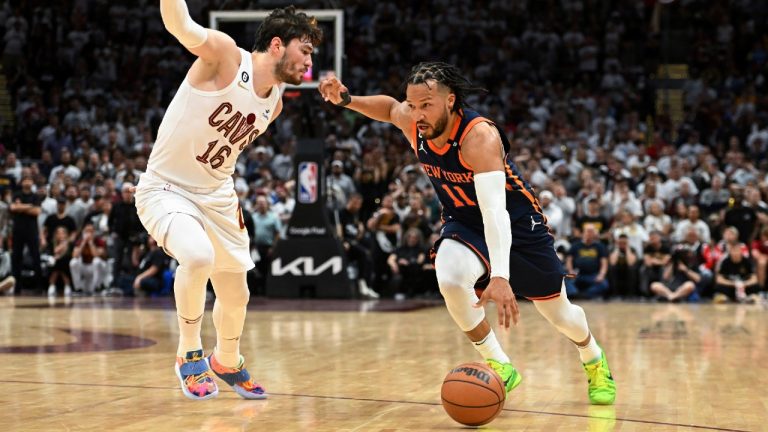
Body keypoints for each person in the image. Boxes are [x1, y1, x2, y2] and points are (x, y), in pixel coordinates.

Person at [319, 62, 616, 405]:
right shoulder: (415, 123)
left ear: (450, 101)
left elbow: (495, 212)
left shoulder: (479, 136)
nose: (417, 115)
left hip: (516, 223)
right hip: (464, 221)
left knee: (560, 314)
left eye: (426, 105)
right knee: (450, 277)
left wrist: (501, 276)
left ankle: (593, 358)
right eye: (413, 105)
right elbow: (389, 108)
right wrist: (347, 100)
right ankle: (500, 363)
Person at [134, 2, 321, 401]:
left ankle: (228, 359)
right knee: (198, 256)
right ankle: (188, 354)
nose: (309, 60)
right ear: (276, 45)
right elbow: (179, 24)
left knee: (237, 294)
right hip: (166, 187)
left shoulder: (276, 102)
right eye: (304, 50)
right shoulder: (224, 55)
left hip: (217, 195)